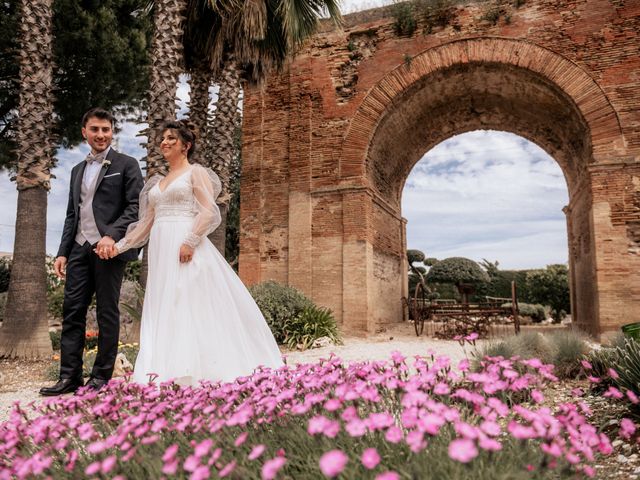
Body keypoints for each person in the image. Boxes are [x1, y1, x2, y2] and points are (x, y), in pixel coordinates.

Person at [109, 120, 283, 385]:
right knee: (164, 302)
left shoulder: (195, 173)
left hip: (185, 244)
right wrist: (119, 246)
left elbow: (208, 211)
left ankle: (194, 370)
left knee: (187, 301)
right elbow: (145, 223)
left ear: (185, 146)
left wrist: (190, 240)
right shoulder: (157, 182)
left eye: (171, 139)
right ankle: (163, 370)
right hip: (160, 247)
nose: (164, 142)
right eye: (163, 139)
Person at [40, 108, 144, 396]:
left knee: (106, 312)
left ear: (112, 132)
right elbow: (72, 215)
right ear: (84, 132)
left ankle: (100, 378)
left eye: (106, 129)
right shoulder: (76, 171)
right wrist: (62, 253)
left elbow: (136, 207)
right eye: (95, 129)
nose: (101, 135)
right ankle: (69, 378)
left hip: (109, 250)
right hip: (78, 249)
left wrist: (111, 235)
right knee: (72, 311)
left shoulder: (127, 164)